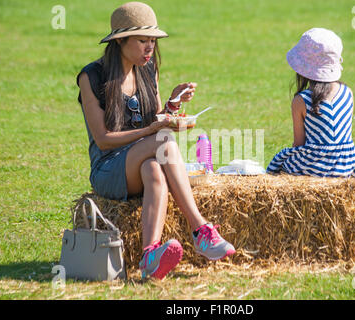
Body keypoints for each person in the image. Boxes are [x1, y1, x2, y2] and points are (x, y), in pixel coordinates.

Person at [76, 2, 235, 280]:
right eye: (142, 41)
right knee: (163, 143)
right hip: (108, 168)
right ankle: (200, 229)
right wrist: (150, 130)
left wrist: (172, 105)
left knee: (153, 169)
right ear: (120, 41)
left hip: (141, 161)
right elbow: (102, 140)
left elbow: (158, 119)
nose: (150, 47)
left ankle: (149, 256)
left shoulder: (149, 70)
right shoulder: (92, 77)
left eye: (153, 41)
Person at [266, 28, 355, 177]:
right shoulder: (348, 92)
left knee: (279, 164)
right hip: (345, 166)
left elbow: (299, 144)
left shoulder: (301, 100)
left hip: (314, 166)